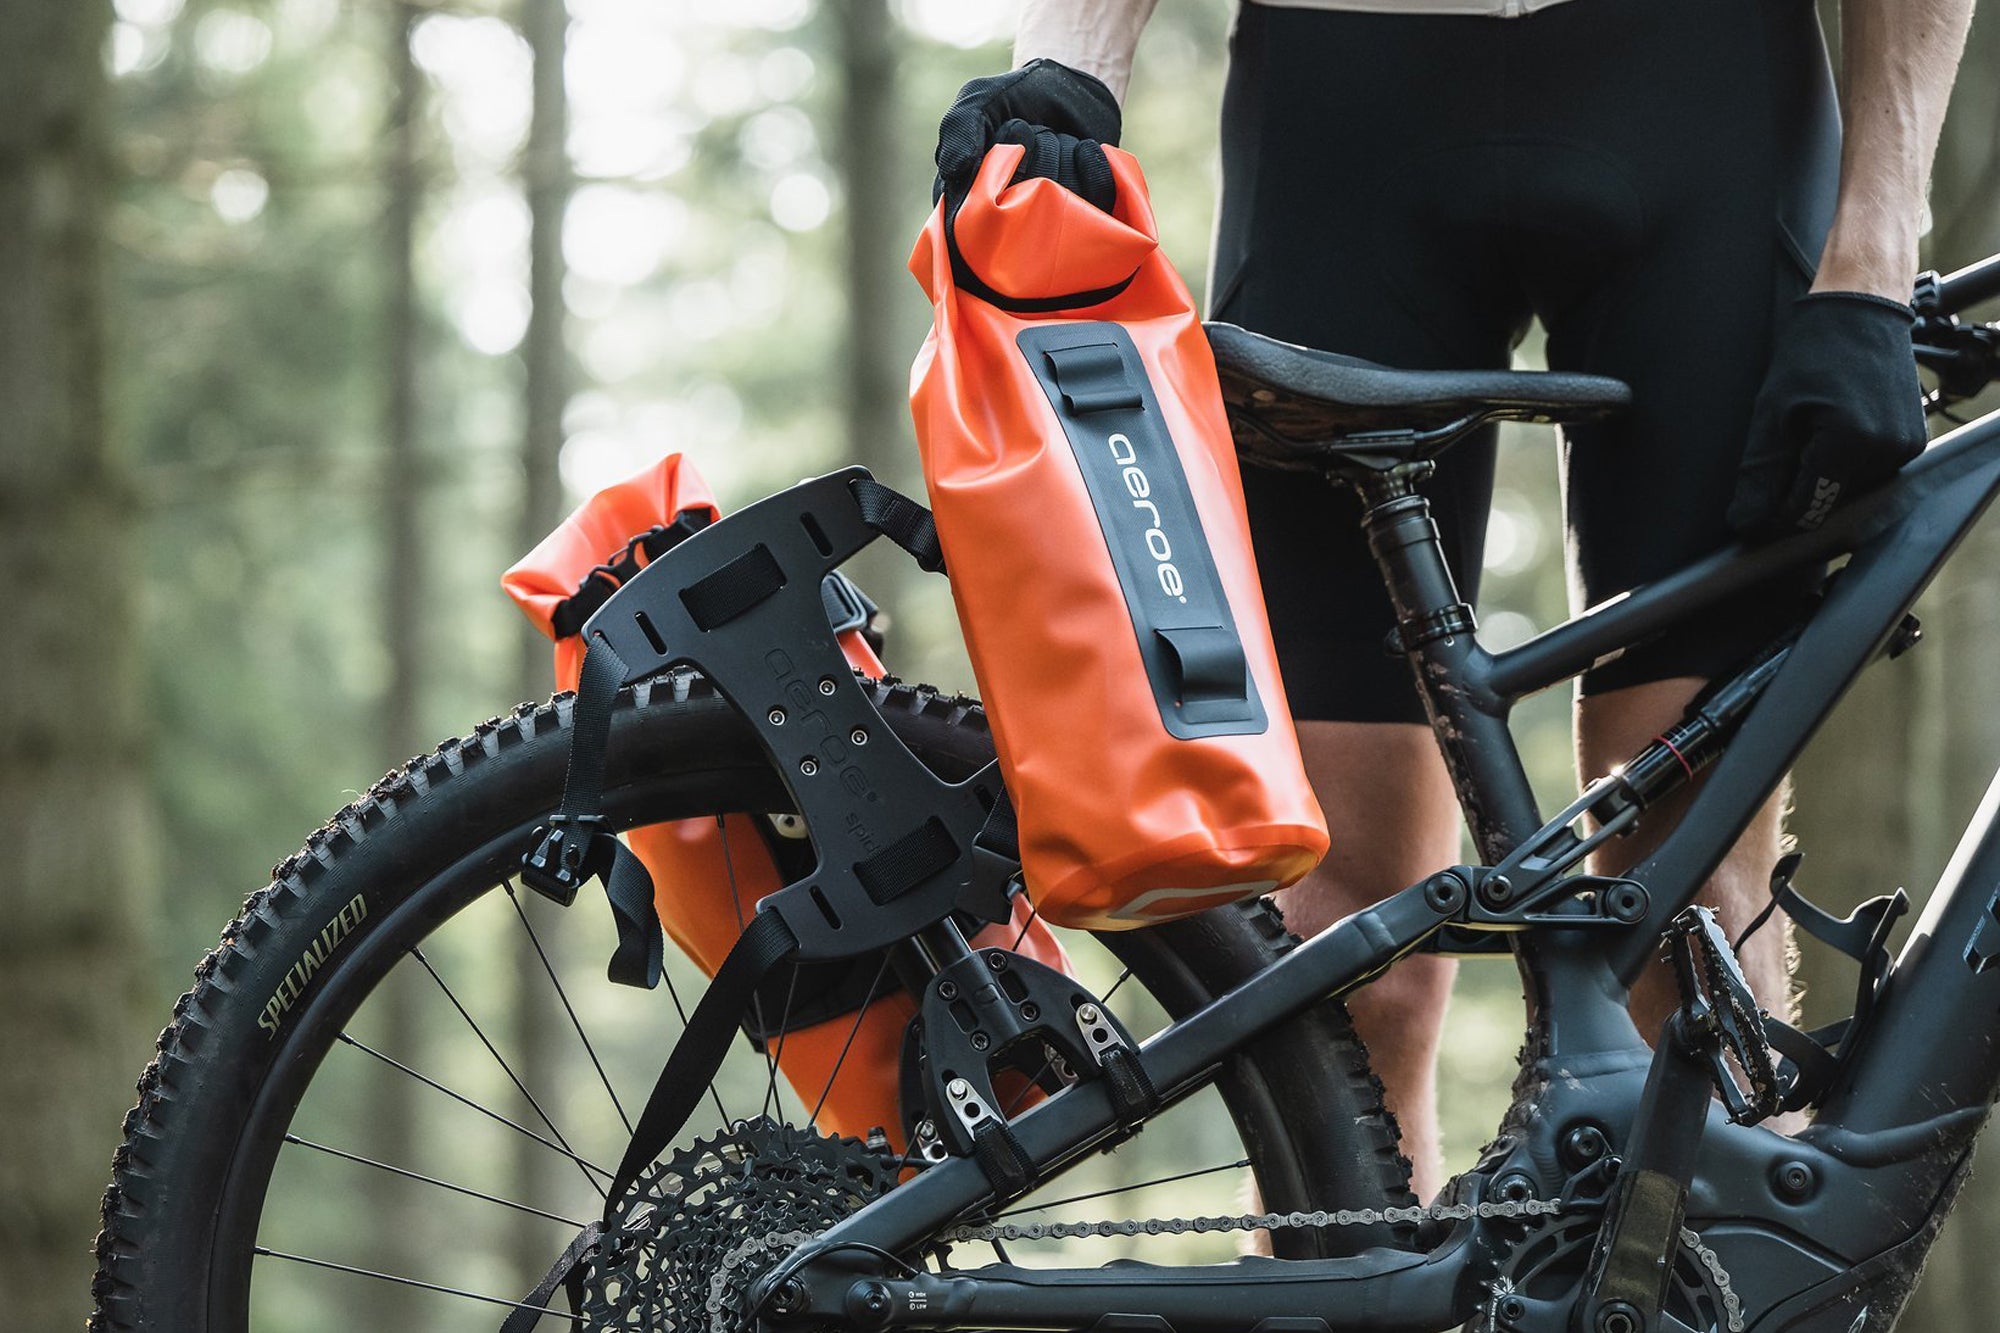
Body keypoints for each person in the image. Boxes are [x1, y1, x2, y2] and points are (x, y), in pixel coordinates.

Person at [933, 0, 1972, 1200]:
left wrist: (1876, 253)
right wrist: (1065, 71)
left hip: (1709, 89)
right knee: (1344, 951)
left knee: (1691, 910)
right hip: (1345, 90)